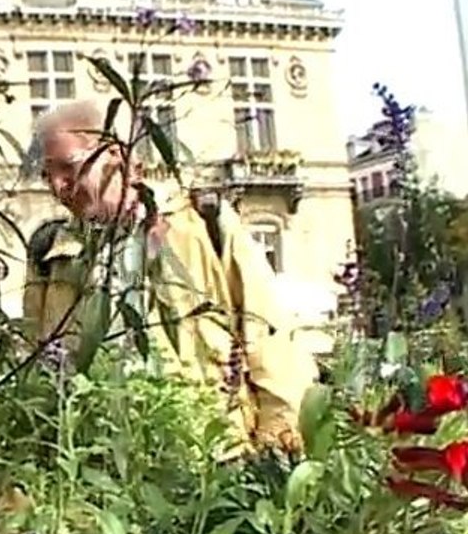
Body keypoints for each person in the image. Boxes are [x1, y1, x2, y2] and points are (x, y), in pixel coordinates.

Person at [23, 100, 318, 455]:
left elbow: (272, 344)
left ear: (117, 156)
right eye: (47, 174)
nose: (57, 186)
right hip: (102, 466)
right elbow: (37, 364)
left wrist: (279, 450)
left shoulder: (201, 226)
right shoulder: (50, 254)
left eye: (69, 168)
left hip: (208, 458)